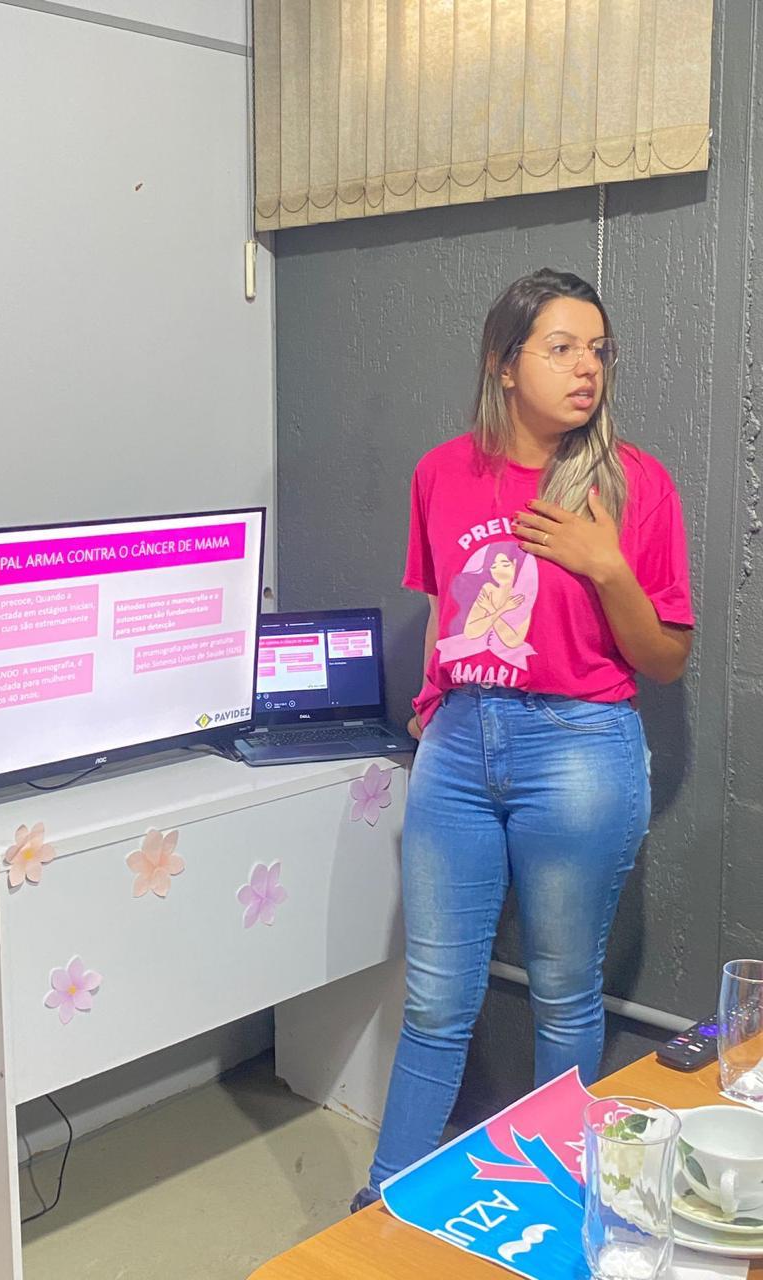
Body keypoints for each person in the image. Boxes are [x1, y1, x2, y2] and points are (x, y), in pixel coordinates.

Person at [351, 268, 694, 1212]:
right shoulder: (441, 472)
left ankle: (548, 1205)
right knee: (434, 998)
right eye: (562, 348)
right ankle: (383, 1206)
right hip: (459, 747)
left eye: (599, 351)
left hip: (580, 748)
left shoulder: (634, 484)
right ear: (505, 365)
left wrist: (606, 566)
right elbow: (444, 602)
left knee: (563, 993)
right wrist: (433, 702)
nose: (587, 369)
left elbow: (666, 659)